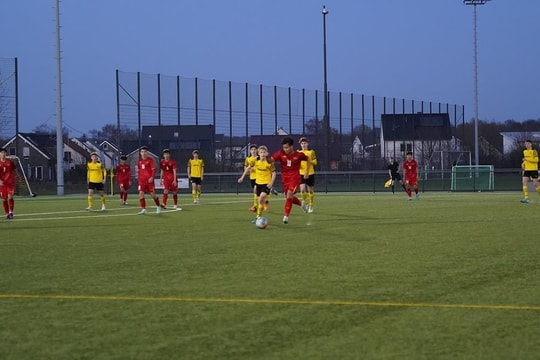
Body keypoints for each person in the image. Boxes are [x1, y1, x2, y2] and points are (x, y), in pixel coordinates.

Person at [271, 136, 311, 224]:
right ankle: (302, 204)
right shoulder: (281, 153)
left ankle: (286, 216)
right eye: (284, 147)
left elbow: (308, 159)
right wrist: (266, 157)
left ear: (291, 146)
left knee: (289, 194)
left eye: (287, 147)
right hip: (285, 179)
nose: (285, 149)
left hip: (295, 178)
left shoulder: (298, 155)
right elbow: (271, 160)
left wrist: (306, 172)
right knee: (288, 196)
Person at [238, 145, 276, 223]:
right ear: (258, 153)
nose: (262, 154)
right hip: (258, 183)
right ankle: (258, 217)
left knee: (262, 197)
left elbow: (274, 173)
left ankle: (259, 216)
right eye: (261, 152)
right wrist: (242, 177)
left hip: (266, 184)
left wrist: (271, 183)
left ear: (266, 153)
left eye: (264, 152)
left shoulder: (269, 162)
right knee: (260, 201)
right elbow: (248, 168)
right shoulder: (255, 160)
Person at [137, 146, 161, 214]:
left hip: (149, 181)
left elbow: (153, 170)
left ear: (147, 153)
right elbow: (139, 171)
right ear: (140, 153)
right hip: (142, 181)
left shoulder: (150, 160)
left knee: (153, 195)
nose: (143, 153)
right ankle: (143, 209)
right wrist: (139, 180)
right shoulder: (139, 161)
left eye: (145, 152)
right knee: (141, 194)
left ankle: (158, 206)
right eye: (142, 152)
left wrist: (152, 177)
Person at [298, 137, 317, 213]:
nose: (303, 145)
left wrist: (309, 160)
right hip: (301, 173)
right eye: (302, 143)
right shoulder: (298, 152)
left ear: (307, 144)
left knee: (310, 191)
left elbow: (315, 162)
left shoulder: (311, 152)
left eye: (305, 143)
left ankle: (311, 205)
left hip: (310, 173)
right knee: (302, 189)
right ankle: (305, 202)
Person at [520, 139, 540, 203]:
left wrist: (527, 159)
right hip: (527, 170)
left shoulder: (534, 151)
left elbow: (536, 160)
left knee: (535, 184)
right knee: (524, 182)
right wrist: (523, 164)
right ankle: (526, 198)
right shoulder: (524, 151)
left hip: (533, 169)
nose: (526, 145)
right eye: (525, 144)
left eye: (528, 144)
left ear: (531, 144)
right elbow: (525, 160)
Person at [0, 147, 17, 219]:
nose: (3, 154)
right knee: (4, 199)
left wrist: (18, 177)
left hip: (10, 182)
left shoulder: (10, 162)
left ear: (6, 153)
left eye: (4, 152)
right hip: (2, 183)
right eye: (2, 153)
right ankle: (7, 214)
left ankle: (11, 213)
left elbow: (15, 169)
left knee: (10, 196)